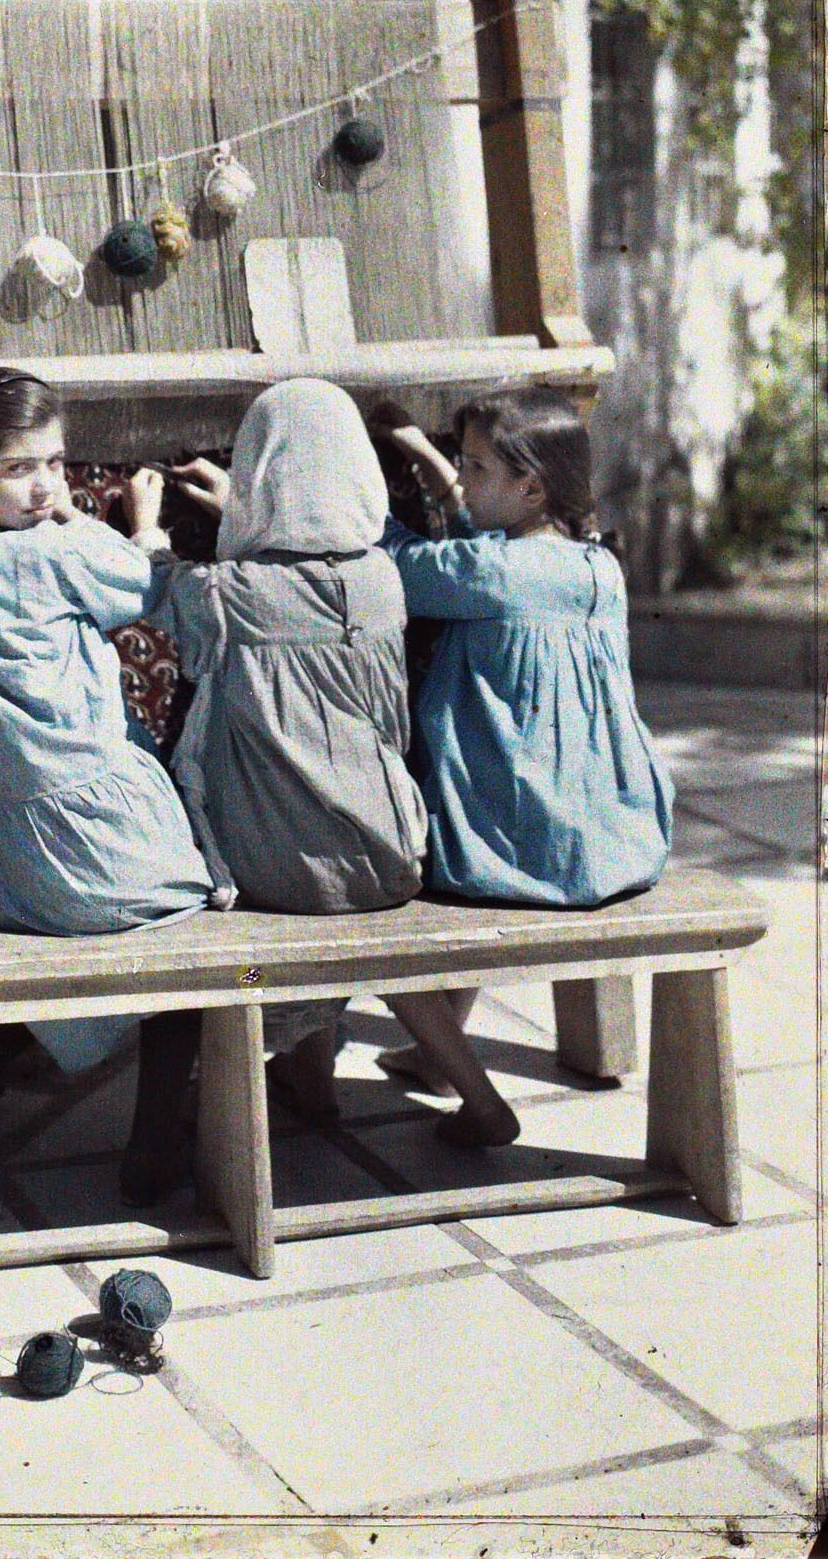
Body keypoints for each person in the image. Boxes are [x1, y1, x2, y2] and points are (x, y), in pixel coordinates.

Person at [124, 377, 527, 1138]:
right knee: (361, 921)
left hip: (278, 868)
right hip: (388, 848)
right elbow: (302, 576)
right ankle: (461, 1097)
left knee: (284, 838)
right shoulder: (380, 581)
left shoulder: (227, 593)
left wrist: (147, 524)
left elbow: (162, 587)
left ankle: (278, 1086)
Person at [0, 364, 227, 1206]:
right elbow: (153, 594)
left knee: (50, 939)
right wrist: (143, 522)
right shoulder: (53, 550)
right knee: (198, 920)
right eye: (19, 468)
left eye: (55, 462)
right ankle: (154, 1141)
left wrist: (58, 510)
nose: (46, 484)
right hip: (90, 852)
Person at [379, 386, 675, 1142]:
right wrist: (423, 453)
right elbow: (483, 533)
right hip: (611, 835)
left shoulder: (487, 574)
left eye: (473, 467)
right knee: (507, 790)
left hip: (517, 852)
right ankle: (436, 1056)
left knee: (453, 836)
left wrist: (347, 484)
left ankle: (455, 1074)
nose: (462, 477)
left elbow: (397, 563)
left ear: (530, 487)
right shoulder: (596, 568)